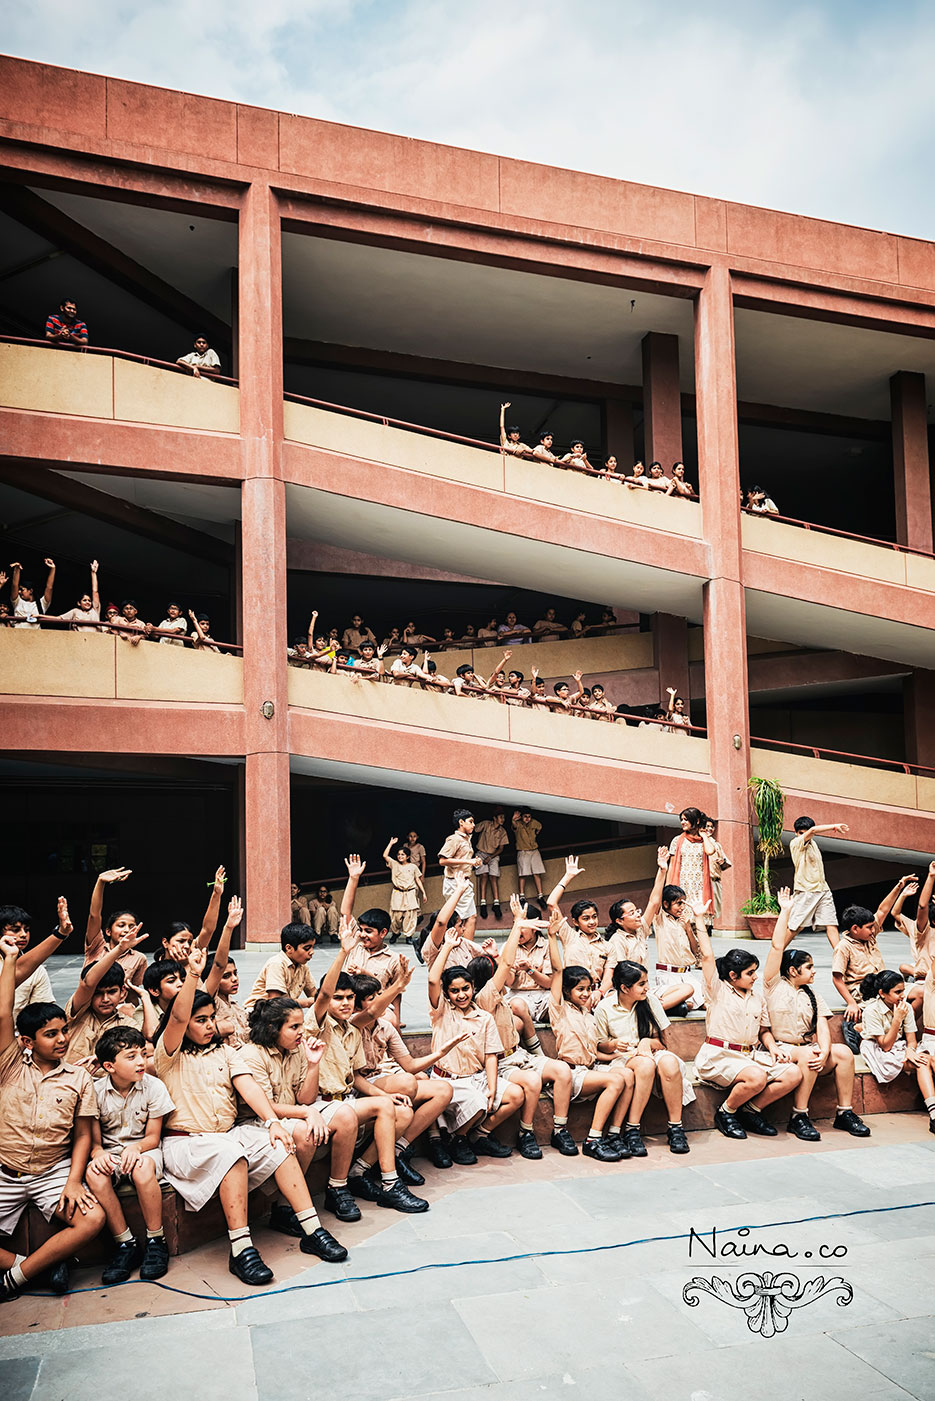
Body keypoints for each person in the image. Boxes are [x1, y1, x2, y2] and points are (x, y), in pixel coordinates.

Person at [154, 946, 346, 1282]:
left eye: (212, 1018)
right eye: (201, 1020)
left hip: (226, 1137)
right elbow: (178, 1017)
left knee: (281, 1143)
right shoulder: (168, 1054)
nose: (210, 1025)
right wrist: (194, 976)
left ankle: (312, 1231)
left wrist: (273, 1123)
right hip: (186, 1144)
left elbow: (249, 1087)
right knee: (232, 1153)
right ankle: (241, 1249)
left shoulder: (226, 1052)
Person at [0, 935, 106, 1303]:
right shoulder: (10, 1063)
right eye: (51, 1034)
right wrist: (11, 960)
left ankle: (13, 1278)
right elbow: (2, 1013)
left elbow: (81, 1136)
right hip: (6, 1171)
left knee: (93, 1219)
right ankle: (36, 1264)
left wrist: (73, 1182)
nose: (62, 1039)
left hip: (51, 1172)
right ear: (27, 1042)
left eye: (63, 1031)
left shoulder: (79, 1077)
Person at [306, 931, 428, 1218]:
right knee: (382, 1106)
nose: (345, 1003)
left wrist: (399, 985)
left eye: (349, 998)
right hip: (320, 1104)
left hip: (345, 1098)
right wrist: (343, 953)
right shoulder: (317, 1023)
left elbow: (371, 1013)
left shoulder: (351, 1030)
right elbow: (324, 995)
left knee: (400, 1109)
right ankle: (352, 1187)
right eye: (339, 998)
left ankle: (370, 1177)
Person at [234, 999, 347, 1241]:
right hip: (259, 1122)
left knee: (344, 1113)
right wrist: (308, 1113)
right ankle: (284, 1209)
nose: (301, 1032)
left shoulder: (296, 1049)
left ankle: (338, 1189)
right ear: (273, 1029)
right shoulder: (251, 1054)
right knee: (303, 1132)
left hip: (291, 1112)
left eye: (300, 1025)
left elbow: (305, 1098)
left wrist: (313, 1063)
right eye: (294, 1027)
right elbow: (266, 1107)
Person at [762, 887, 869, 1141]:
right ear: (791, 970)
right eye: (808, 967)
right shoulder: (773, 984)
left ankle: (844, 1113)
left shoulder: (812, 993)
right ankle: (798, 1116)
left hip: (807, 1049)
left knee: (842, 1053)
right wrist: (786, 911)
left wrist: (824, 1050)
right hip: (781, 1049)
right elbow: (777, 946)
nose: (814, 971)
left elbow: (822, 1024)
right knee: (810, 1054)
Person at [468, 908, 576, 1158]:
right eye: (497, 970)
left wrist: (550, 937)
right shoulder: (485, 996)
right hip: (502, 1062)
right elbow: (506, 963)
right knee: (532, 1081)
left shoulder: (502, 999)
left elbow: (517, 1022)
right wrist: (517, 924)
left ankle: (560, 1130)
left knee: (562, 1071)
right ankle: (526, 1133)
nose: (503, 973)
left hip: (519, 1055)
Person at [691, 908, 802, 1140]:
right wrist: (700, 919)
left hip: (749, 1056)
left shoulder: (757, 997)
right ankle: (727, 1113)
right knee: (756, 1077)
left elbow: (764, 1031)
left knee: (793, 1073)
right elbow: (707, 957)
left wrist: (773, 1047)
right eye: (750, 973)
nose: (755, 977)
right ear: (733, 975)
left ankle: (751, 1111)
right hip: (719, 1056)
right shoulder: (717, 990)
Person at [85, 1025, 175, 1283]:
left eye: (143, 1055)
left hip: (144, 1149)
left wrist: (135, 1148)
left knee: (143, 1168)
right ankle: (125, 1243)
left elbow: (152, 1138)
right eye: (131, 1056)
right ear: (109, 1066)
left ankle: (156, 1240)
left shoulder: (153, 1087)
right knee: (94, 1173)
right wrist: (99, 1153)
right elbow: (94, 1142)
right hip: (111, 1153)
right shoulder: (95, 1091)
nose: (141, 1062)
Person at [427, 928, 524, 1161]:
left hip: (476, 1078)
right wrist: (448, 946)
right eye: (454, 991)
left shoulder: (484, 1016)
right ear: (447, 993)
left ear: (473, 987)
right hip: (448, 1080)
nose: (461, 995)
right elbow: (432, 979)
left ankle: (478, 1135)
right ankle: (457, 1138)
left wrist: (491, 1086)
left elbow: (491, 1055)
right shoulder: (441, 1011)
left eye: (465, 989)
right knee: (478, 1102)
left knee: (516, 1095)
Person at [349, 969, 460, 1172]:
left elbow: (410, 1065)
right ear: (357, 1005)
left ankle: (398, 1149)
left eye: (378, 996)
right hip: (360, 1089)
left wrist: (441, 1053)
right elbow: (355, 1078)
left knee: (443, 1090)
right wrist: (399, 985)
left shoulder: (385, 1027)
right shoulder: (352, 1024)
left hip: (380, 1080)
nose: (379, 1002)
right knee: (407, 1084)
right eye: (371, 998)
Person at [545, 911, 633, 1160]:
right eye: (580, 990)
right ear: (566, 991)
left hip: (591, 1067)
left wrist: (616, 1049)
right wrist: (552, 938)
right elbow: (557, 970)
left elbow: (595, 1049)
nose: (585, 994)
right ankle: (594, 1139)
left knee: (627, 1074)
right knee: (615, 1081)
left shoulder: (588, 1014)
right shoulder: (560, 1009)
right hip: (571, 1075)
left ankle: (615, 1132)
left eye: (588, 989)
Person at [594, 961, 694, 1155]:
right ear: (624, 988)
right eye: (641, 984)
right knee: (645, 1065)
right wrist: (614, 1044)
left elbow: (663, 1043)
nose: (647, 988)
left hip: (651, 1051)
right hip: (621, 1057)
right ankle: (632, 1129)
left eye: (646, 982)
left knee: (670, 1062)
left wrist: (646, 1042)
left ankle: (676, 1127)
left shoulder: (650, 1002)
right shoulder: (605, 1008)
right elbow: (600, 1045)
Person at [831, 887, 909, 1054]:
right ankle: (858, 1028)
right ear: (855, 929)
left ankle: (899, 1032)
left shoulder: (869, 936)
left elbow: (882, 910)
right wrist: (851, 1003)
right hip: (862, 992)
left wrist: (900, 886)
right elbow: (837, 978)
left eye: (873, 927)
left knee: (916, 995)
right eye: (869, 927)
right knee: (884, 1007)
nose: (874, 930)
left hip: (883, 984)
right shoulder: (843, 947)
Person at [858, 971, 933, 1123]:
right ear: (882, 993)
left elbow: (911, 1039)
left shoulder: (905, 1007)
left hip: (899, 1045)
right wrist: (897, 1019)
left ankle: (933, 1113)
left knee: (928, 1059)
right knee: (923, 1062)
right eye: (897, 992)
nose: (902, 995)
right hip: (878, 1048)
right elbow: (885, 1046)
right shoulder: (872, 1011)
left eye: (903, 991)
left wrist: (910, 1051)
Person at [340, 854, 406, 1023]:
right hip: (349, 1006)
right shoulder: (354, 944)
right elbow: (346, 913)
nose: (362, 935)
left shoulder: (394, 960)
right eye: (361, 930)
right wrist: (353, 878)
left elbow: (395, 995)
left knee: (389, 1020)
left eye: (368, 931)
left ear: (383, 933)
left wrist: (397, 1021)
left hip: (376, 1009)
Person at [64, 927, 145, 1064]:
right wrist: (119, 949)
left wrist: (145, 997)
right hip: (70, 1082)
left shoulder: (128, 1024)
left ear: (123, 993)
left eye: (112, 992)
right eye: (98, 993)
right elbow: (88, 983)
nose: (105, 999)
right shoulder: (77, 1012)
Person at [649, 846, 707, 1012]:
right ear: (666, 904)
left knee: (706, 1004)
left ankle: (681, 1007)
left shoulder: (684, 921)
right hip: (668, 976)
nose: (682, 907)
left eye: (684, 902)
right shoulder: (660, 919)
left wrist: (688, 928)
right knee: (686, 1005)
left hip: (687, 974)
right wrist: (663, 869)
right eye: (678, 903)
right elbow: (655, 898)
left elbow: (696, 951)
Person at [787, 816, 849, 946]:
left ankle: (841, 957)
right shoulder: (796, 843)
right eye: (800, 833)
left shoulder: (814, 844)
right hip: (806, 890)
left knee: (831, 924)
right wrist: (834, 826)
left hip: (823, 890)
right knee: (796, 927)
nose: (804, 835)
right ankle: (777, 952)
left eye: (806, 832)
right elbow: (813, 830)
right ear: (796, 833)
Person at [546, 855, 606, 990]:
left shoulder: (607, 945)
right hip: (571, 991)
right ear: (575, 922)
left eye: (594, 917)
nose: (592, 922)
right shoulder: (569, 936)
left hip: (596, 992)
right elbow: (551, 903)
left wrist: (600, 992)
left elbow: (609, 976)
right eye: (586, 918)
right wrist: (568, 877)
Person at [243, 922, 317, 1011]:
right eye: (307, 948)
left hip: (283, 1012)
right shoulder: (276, 964)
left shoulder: (303, 967)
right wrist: (307, 1002)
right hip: (260, 1013)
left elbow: (313, 993)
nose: (312, 952)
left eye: (313, 947)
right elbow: (274, 1002)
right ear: (289, 948)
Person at [1, 901, 55, 1018]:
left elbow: (41, 1012)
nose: (23, 935)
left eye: (27, 930)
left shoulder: (37, 970)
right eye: (15, 930)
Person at [438, 808, 481, 942]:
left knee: (469, 917)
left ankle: (466, 949)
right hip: (455, 883)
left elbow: (463, 859)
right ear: (461, 822)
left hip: (463, 882)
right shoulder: (454, 839)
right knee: (463, 918)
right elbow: (442, 860)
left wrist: (474, 862)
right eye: (471, 822)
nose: (473, 825)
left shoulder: (467, 839)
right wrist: (468, 861)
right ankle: (466, 949)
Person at [381, 838, 425, 945]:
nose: (400, 856)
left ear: (408, 857)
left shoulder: (413, 867)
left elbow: (417, 879)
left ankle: (408, 936)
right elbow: (385, 856)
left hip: (410, 892)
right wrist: (390, 843)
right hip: (398, 892)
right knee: (396, 916)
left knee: (410, 915)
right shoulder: (394, 864)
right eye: (399, 854)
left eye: (403, 854)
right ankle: (395, 933)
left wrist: (423, 893)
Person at [43, 559, 101, 633]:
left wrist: (93, 573)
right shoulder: (75, 611)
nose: (87, 602)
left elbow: (95, 591)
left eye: (89, 600)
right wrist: (39, 616)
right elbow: (58, 619)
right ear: (79, 603)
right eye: (84, 600)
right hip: (78, 641)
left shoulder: (95, 610)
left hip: (95, 641)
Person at [474, 809, 509, 921]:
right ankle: (483, 904)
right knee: (484, 875)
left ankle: (496, 904)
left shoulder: (502, 831)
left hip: (493, 855)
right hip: (481, 853)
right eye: (501, 817)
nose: (502, 819)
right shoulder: (486, 824)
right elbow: (473, 829)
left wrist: (491, 857)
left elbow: (501, 848)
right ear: (494, 818)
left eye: (503, 817)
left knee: (493, 877)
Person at [701, 817, 732, 922]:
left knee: (713, 914)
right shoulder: (698, 843)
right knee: (702, 912)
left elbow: (727, 864)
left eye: (711, 827)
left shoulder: (717, 845)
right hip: (702, 883)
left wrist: (722, 862)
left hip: (715, 882)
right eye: (707, 826)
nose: (709, 829)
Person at [9, 558, 54, 627]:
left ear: (30, 591)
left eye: (22, 589)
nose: (19, 592)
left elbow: (49, 587)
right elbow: (14, 585)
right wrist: (17, 570)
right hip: (17, 635)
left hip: (35, 636)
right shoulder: (17, 602)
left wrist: (53, 569)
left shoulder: (42, 603)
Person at [513, 807, 545, 900]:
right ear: (521, 817)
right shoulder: (518, 824)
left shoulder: (534, 823)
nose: (527, 818)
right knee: (523, 874)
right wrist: (513, 819)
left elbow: (540, 827)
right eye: (525, 816)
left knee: (537, 873)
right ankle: (522, 896)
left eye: (529, 816)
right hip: (523, 851)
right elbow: (514, 825)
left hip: (534, 850)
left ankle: (540, 895)